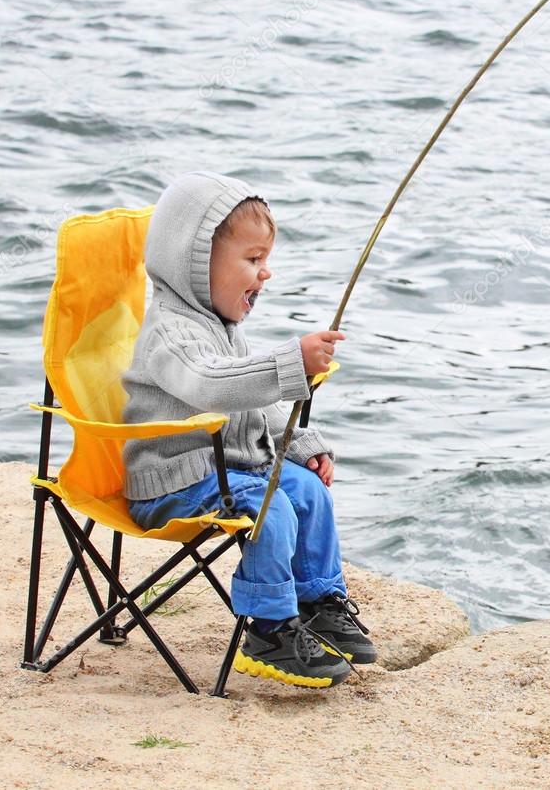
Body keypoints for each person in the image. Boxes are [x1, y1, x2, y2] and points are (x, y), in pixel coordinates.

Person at [121, 171, 374, 689]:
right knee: (270, 506)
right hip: (173, 481)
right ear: (194, 262)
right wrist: (288, 365)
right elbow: (211, 385)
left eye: (266, 260)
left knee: (307, 490)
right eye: (253, 260)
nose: (266, 274)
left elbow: (249, 410)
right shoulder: (171, 331)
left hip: (227, 472)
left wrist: (300, 444)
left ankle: (319, 601)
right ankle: (269, 631)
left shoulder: (222, 328)